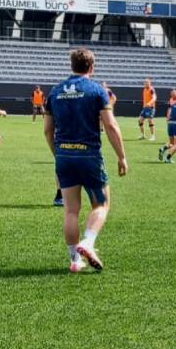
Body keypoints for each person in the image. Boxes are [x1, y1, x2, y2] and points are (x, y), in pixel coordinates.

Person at [44, 48, 128, 273]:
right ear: (91, 66)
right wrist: (121, 157)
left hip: (63, 155)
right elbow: (110, 125)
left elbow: (47, 130)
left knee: (71, 210)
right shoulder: (96, 90)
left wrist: (58, 153)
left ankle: (74, 260)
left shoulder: (55, 91)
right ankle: (88, 242)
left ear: (71, 65)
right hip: (88, 154)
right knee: (101, 204)